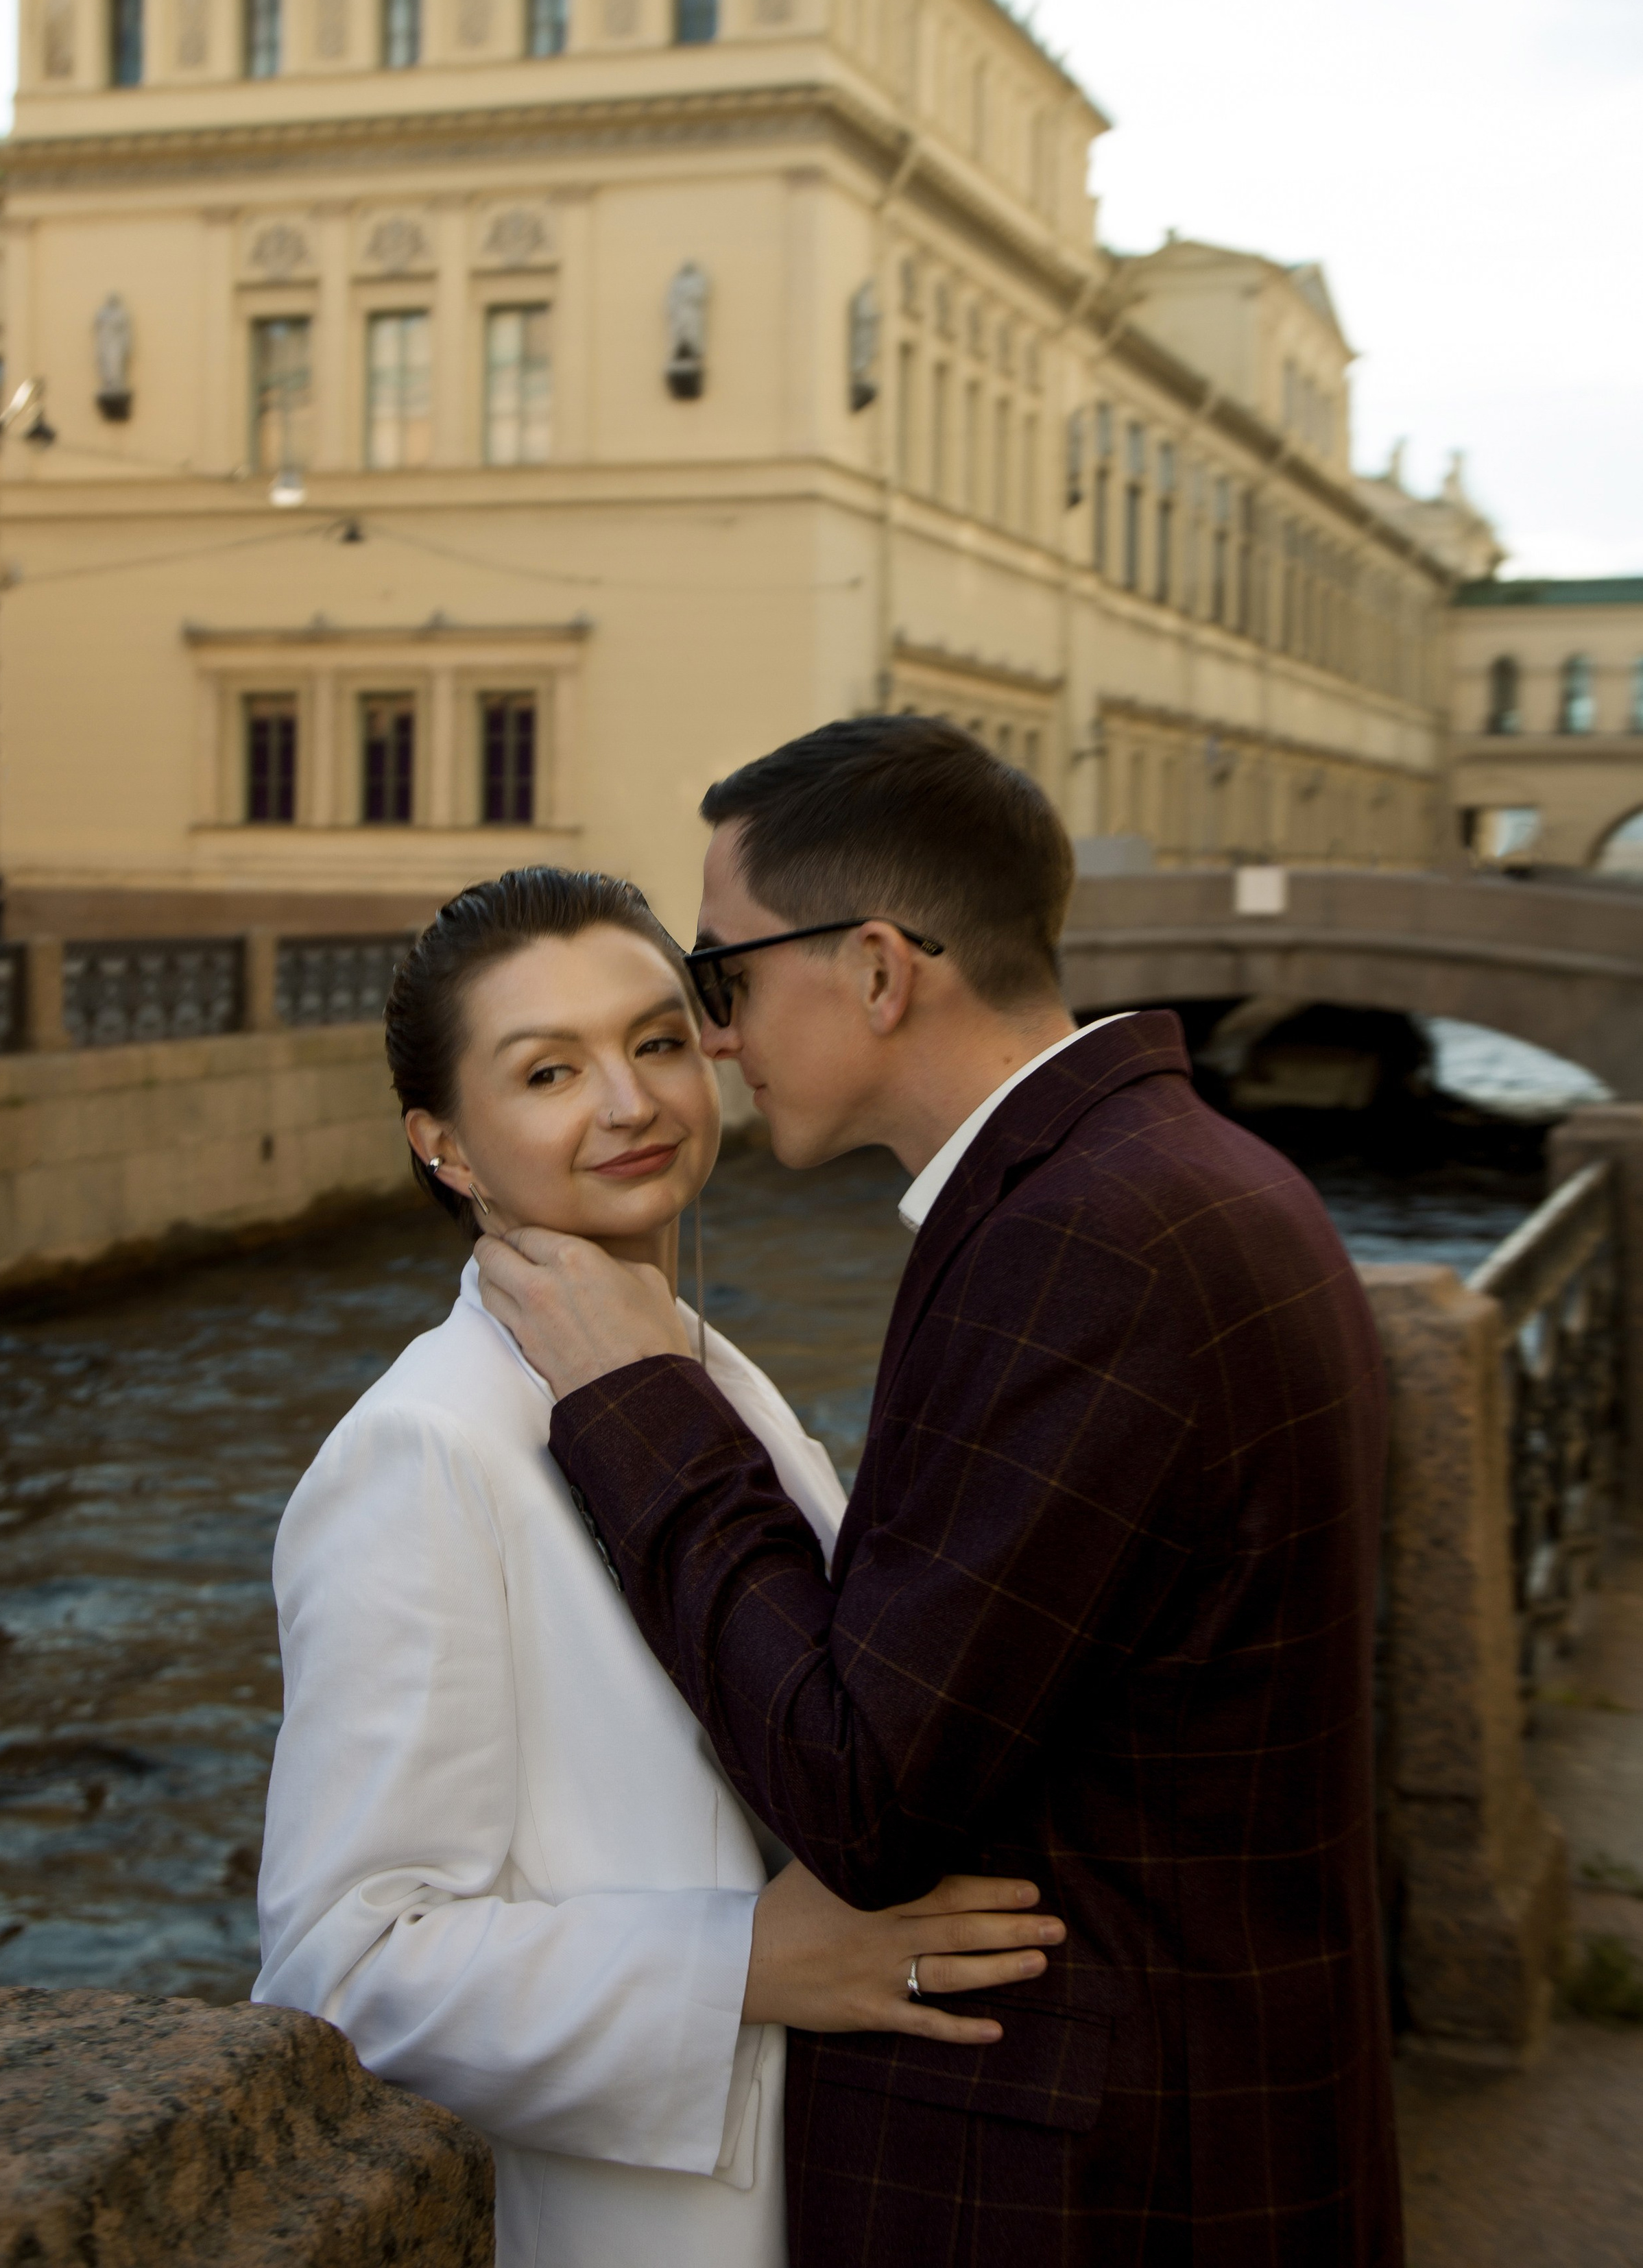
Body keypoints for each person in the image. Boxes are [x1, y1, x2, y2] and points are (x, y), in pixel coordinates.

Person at [476, 721, 1404, 2268]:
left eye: (722, 978)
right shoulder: (1188, 1177)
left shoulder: (1082, 1248)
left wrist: (635, 1397)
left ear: (877, 971)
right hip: (1219, 2102)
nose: (715, 1041)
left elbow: (862, 1791)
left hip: (1093, 2182)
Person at [252, 865, 1060, 2268]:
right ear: (445, 1146)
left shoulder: (704, 1372)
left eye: (658, 1041)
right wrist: (744, 1964)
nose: (630, 1103)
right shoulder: (422, 1448)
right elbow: (343, 1970)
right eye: (549, 1071)